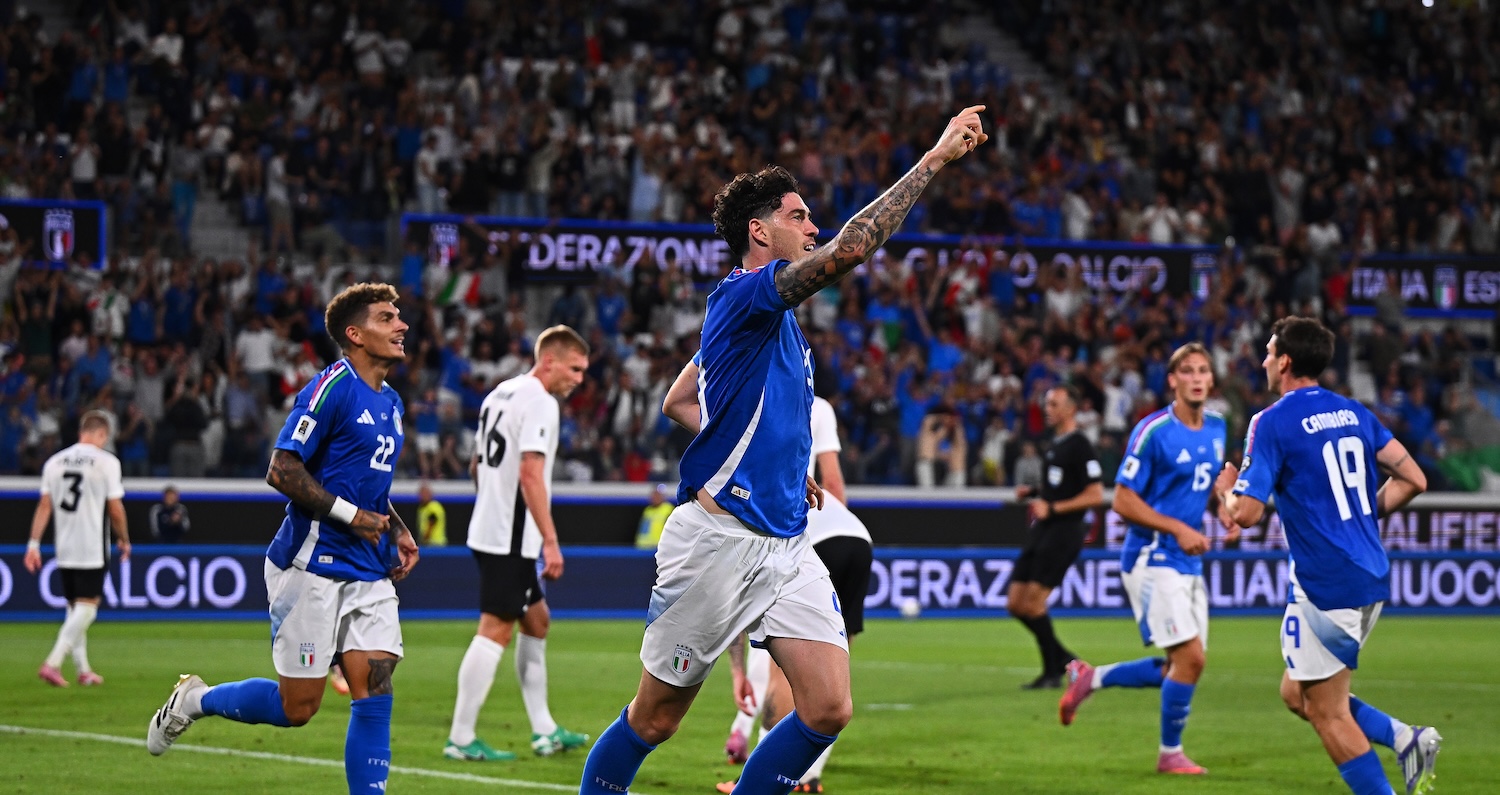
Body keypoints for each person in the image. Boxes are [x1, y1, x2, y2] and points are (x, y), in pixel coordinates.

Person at [579, 104, 988, 795]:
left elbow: (680, 400)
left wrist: (777, 466)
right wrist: (934, 160)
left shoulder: (776, 325)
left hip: (787, 543)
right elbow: (852, 249)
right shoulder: (742, 298)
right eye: (799, 216)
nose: (813, 227)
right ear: (759, 230)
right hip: (717, 542)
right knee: (655, 719)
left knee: (828, 707)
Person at [145, 282, 420, 795]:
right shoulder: (332, 387)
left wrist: (396, 527)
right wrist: (352, 516)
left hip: (367, 569)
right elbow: (281, 468)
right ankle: (195, 700)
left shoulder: (392, 402)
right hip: (310, 563)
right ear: (355, 334)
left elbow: (366, 485)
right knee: (298, 708)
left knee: (375, 692)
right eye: (387, 318)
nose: (402, 325)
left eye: (399, 316)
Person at [1217, 317, 1440, 795]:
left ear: (1285, 362)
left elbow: (1248, 513)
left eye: (1269, 352)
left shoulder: (1271, 421)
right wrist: (1358, 516)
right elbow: (1414, 479)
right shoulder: (1354, 412)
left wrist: (1227, 493)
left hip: (1326, 582)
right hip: (1370, 575)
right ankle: (1405, 738)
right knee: (1295, 691)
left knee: (1327, 712)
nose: (1264, 361)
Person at [1057, 343, 1234, 775]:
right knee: (1191, 659)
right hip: (1151, 556)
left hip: (1187, 561)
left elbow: (1204, 485)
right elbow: (1122, 500)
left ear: (1211, 379)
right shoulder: (1153, 431)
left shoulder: (1217, 426)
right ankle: (1170, 753)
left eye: (1203, 371)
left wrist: (1225, 507)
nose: (1196, 378)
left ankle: (1091, 678)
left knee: (1180, 666)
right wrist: (1177, 528)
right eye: (1187, 371)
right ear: (1172, 380)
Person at [445, 325, 592, 762]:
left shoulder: (500, 393)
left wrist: (491, 504)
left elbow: (476, 465)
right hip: (511, 535)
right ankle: (460, 737)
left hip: (491, 526)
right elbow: (530, 473)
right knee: (496, 629)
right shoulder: (541, 402)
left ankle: (544, 730)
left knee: (537, 621)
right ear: (549, 361)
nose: (579, 379)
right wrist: (551, 541)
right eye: (574, 369)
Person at [1008, 384, 1105, 689]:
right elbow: (1063, 486)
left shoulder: (1080, 445)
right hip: (1045, 529)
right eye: (1047, 404)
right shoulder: (1054, 444)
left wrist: (1052, 507)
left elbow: (1095, 494)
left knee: (1033, 604)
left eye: (1053, 404)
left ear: (1070, 409)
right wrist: (1035, 492)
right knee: (1015, 604)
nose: (1047, 409)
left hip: (1065, 531)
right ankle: (1067, 661)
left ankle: (1053, 672)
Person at [25, 410, 130, 687]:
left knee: (75, 608)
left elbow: (44, 506)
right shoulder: (107, 462)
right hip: (91, 545)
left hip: (64, 546)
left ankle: (83, 670)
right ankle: (53, 662)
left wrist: (33, 544)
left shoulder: (54, 462)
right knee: (88, 608)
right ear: (102, 434)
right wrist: (124, 538)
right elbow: (115, 508)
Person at [636, 483, 674, 550]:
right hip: (643, 547)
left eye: (657, 495)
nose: (655, 497)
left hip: (659, 548)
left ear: (662, 496)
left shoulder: (668, 509)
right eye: (653, 495)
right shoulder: (648, 510)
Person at [417, 481, 447, 545]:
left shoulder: (433, 506)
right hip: (431, 544)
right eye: (421, 494)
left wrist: (424, 539)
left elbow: (431, 523)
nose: (422, 496)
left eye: (424, 494)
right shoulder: (423, 508)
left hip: (435, 544)